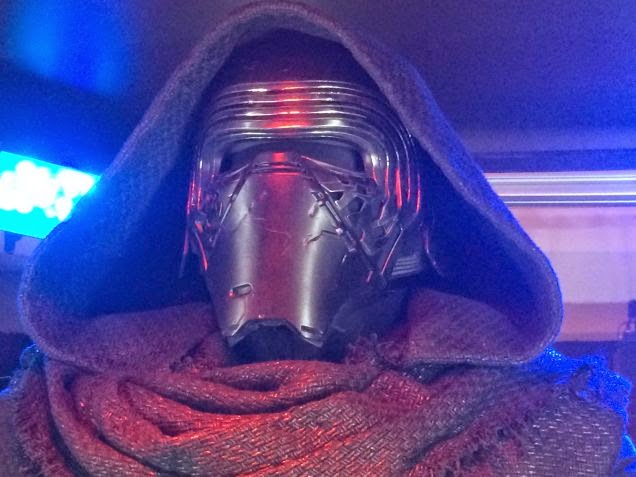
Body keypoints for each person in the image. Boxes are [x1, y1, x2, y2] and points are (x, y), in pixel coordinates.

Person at [1, 2, 634, 475]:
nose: (275, 192)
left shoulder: (550, 430)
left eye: (332, 156)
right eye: (237, 158)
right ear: (186, 207)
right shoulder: (47, 421)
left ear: (419, 209)